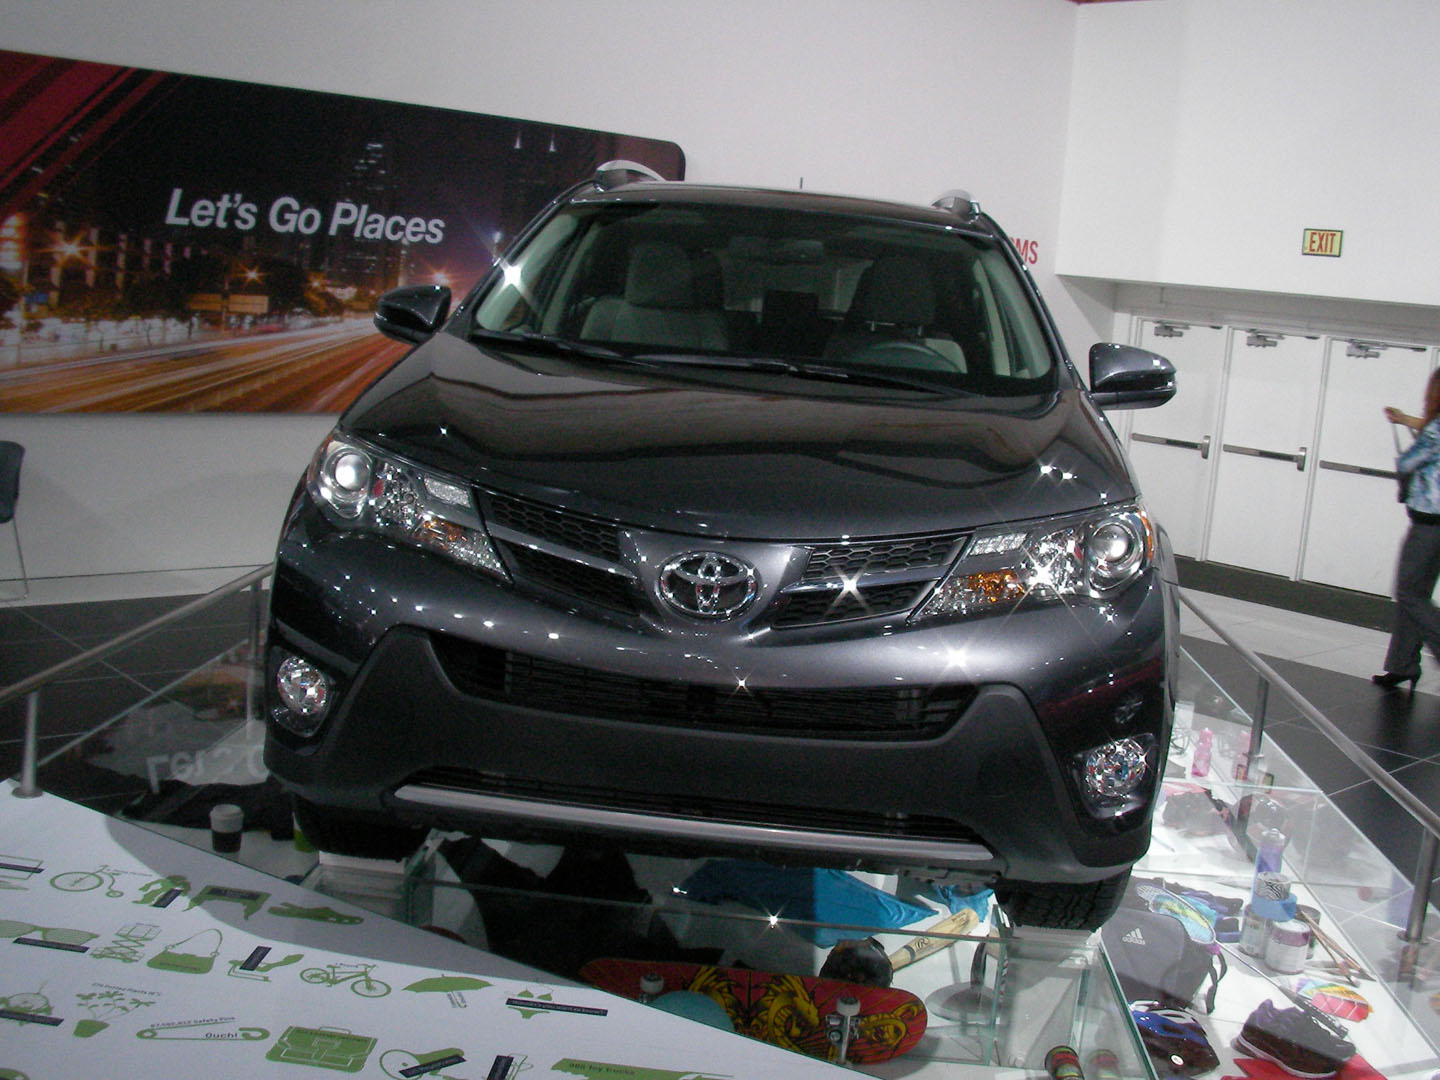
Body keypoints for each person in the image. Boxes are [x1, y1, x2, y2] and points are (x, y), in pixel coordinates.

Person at [1374, 368, 1440, 689]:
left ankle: (1407, 662)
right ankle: (1403, 665)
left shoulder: (1435, 429)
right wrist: (1403, 420)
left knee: (1409, 594)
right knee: (1416, 594)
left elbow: (1407, 463)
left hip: (1427, 526)